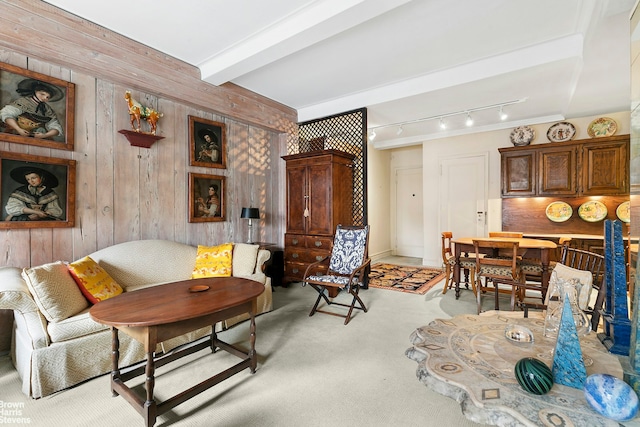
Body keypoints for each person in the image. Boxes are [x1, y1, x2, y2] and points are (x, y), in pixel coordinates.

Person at [0, 78, 64, 140]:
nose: (45, 98)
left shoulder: (47, 109)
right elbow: (6, 114)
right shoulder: (23, 102)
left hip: (38, 137)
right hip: (18, 133)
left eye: (47, 97)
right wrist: (18, 129)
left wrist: (45, 135)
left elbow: (55, 126)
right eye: (42, 94)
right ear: (35, 91)